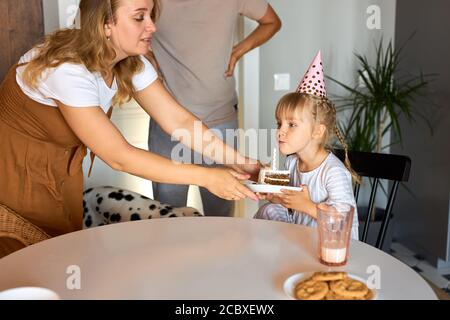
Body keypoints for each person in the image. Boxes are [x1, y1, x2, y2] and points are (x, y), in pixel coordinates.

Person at [0, 0, 260, 250]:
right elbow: (119, 157)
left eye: (150, 15)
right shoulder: (66, 69)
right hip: (16, 180)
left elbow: (178, 120)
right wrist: (207, 176)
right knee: (27, 268)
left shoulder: (131, 63)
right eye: (139, 17)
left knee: (64, 263)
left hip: (64, 178)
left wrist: (239, 161)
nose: (152, 26)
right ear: (105, 24)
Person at [146, 0, 281, 216]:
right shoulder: (152, 3)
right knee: (167, 216)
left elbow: (272, 22)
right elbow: (126, 29)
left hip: (221, 120)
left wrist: (238, 51)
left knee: (221, 216)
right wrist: (146, 55)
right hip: (167, 123)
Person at [254, 51, 360, 240]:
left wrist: (308, 206)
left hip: (328, 245)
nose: (280, 131)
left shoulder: (333, 172)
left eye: (291, 125)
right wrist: (274, 194)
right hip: (300, 239)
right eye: (279, 123)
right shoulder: (293, 163)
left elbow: (344, 222)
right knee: (269, 210)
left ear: (317, 132)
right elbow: (291, 205)